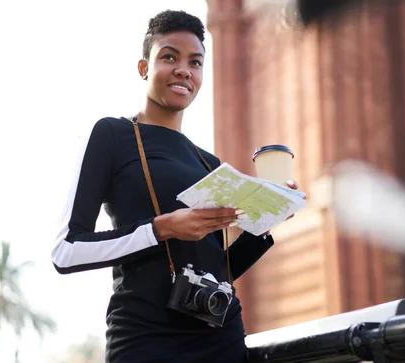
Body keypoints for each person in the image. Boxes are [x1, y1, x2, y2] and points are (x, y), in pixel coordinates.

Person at [51, 9, 302, 363]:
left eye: (195, 62)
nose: (184, 69)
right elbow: (67, 251)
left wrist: (267, 222)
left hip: (221, 337)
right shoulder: (111, 135)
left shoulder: (209, 164)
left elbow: (219, 267)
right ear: (144, 68)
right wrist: (162, 229)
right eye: (169, 57)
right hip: (146, 338)